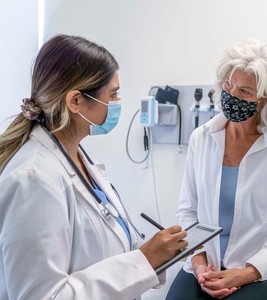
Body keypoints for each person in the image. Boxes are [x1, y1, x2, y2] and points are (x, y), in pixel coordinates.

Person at [0, 34, 188, 300]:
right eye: (113, 94)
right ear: (75, 101)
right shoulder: (32, 179)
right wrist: (142, 262)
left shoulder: (76, 158)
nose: (118, 102)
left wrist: (152, 255)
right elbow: (42, 296)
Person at [166, 38, 267, 299]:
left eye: (245, 92)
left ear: (265, 100)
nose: (232, 95)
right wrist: (199, 262)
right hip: (206, 262)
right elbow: (188, 210)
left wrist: (249, 271)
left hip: (265, 268)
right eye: (229, 85)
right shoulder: (202, 138)